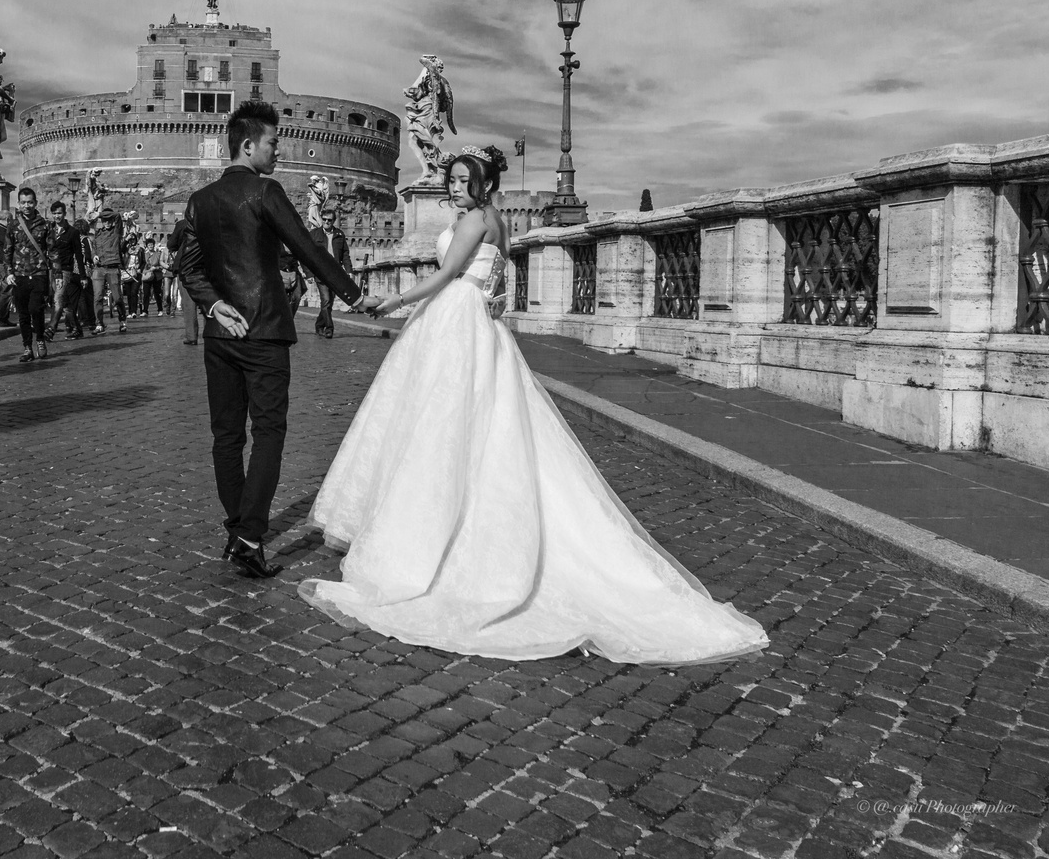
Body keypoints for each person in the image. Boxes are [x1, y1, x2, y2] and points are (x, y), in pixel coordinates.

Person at [298, 147, 770, 664]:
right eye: (451, 180)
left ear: (482, 183)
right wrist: (491, 295)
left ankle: (423, 539)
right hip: (480, 323)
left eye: (461, 180)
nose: (453, 187)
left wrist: (393, 301)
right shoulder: (495, 220)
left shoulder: (477, 218)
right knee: (469, 421)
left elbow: (447, 274)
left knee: (438, 423)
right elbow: (500, 279)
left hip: (454, 317)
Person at [176, 101, 381, 578]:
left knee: (226, 435)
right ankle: (250, 536)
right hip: (265, 330)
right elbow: (309, 250)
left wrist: (212, 304)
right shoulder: (266, 192)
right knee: (268, 432)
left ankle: (237, 529)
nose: (279, 149)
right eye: (272, 142)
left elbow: (187, 267)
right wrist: (353, 296)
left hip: (220, 335)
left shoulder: (200, 200)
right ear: (248, 145)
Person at [3, 186, 52, 362]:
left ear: (35, 203)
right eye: (23, 202)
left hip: (39, 272)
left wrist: (58, 274)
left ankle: (39, 339)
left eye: (30, 202)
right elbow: (7, 251)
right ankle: (27, 347)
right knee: (23, 313)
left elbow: (51, 250)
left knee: (36, 309)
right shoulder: (13, 225)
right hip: (19, 274)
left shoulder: (45, 224)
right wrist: (8, 272)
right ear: (18, 204)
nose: (26, 206)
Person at [305, 210, 352, 339]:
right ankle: (329, 328)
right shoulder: (314, 234)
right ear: (321, 219)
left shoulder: (339, 235)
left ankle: (319, 325)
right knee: (325, 300)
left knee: (329, 303)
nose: (326, 222)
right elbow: (305, 255)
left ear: (333, 221)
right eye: (324, 219)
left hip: (336, 274)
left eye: (329, 220)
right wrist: (308, 274)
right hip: (321, 273)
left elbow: (345, 254)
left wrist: (349, 271)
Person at [46, 201, 84, 340]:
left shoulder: (72, 232)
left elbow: (78, 254)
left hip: (65, 270)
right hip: (51, 269)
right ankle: (76, 329)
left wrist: (83, 275)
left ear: (64, 213)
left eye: (59, 213)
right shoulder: (48, 230)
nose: (57, 216)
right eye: (55, 213)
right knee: (65, 303)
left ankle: (51, 329)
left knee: (58, 298)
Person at [87, 208, 126, 334]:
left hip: (113, 268)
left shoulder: (116, 231)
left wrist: (99, 214)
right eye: (104, 220)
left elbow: (118, 215)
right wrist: (94, 256)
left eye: (109, 219)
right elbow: (93, 248)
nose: (107, 222)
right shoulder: (98, 233)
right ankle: (99, 324)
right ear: (102, 221)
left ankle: (122, 320)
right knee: (97, 297)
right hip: (99, 268)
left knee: (117, 298)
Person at [167, 217, 198, 345]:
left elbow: (171, 244)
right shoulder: (212, 219)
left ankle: (191, 336)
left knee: (188, 302)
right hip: (207, 264)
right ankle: (210, 335)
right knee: (209, 303)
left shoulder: (182, 224)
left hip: (186, 264)